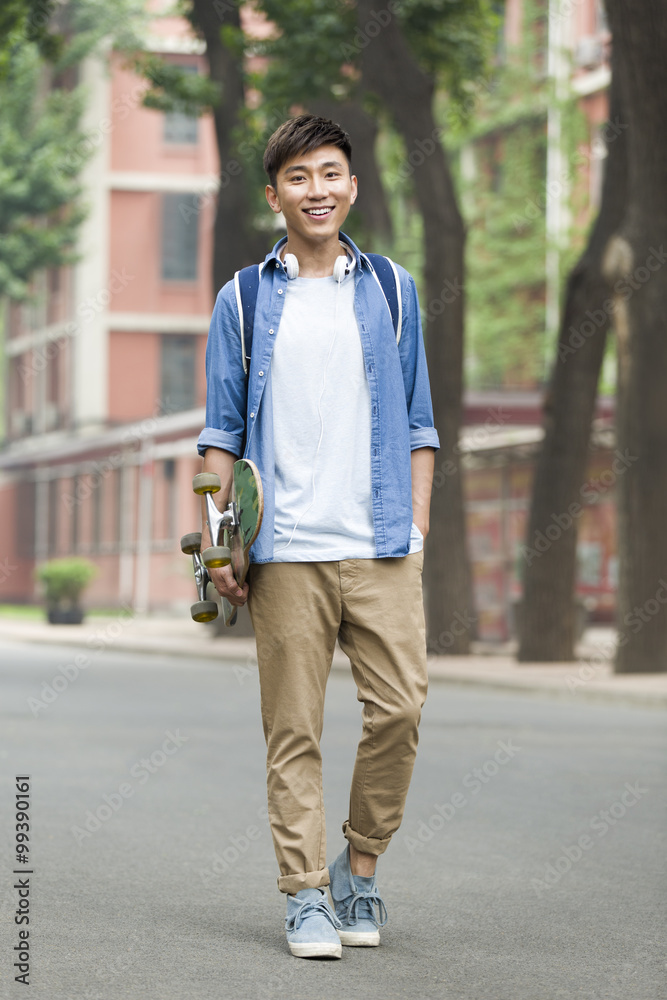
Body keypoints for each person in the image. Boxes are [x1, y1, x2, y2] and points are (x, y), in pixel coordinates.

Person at [197, 114, 439, 959]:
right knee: (294, 731)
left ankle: (358, 868)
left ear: (352, 186)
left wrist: (414, 528)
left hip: (378, 542)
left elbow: (419, 423)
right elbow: (220, 431)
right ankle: (304, 894)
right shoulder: (245, 297)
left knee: (400, 710)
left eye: (329, 174)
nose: (317, 191)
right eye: (298, 178)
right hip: (286, 551)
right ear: (275, 196)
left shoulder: (392, 291)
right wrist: (219, 537)